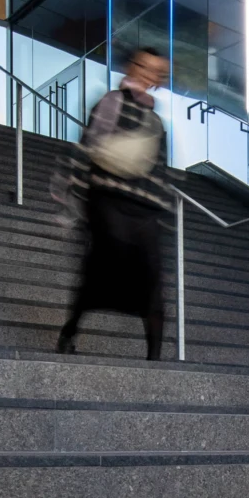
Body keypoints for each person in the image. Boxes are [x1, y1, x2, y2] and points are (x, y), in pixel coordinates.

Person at [57, 48, 171, 360]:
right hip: (108, 200)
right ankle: (69, 330)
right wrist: (75, 199)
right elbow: (87, 147)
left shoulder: (157, 121)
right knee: (101, 269)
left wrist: (166, 214)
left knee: (152, 280)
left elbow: (160, 169)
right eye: (144, 67)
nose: (149, 75)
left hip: (146, 210)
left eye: (157, 72)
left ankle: (155, 362)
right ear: (132, 67)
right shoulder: (112, 101)